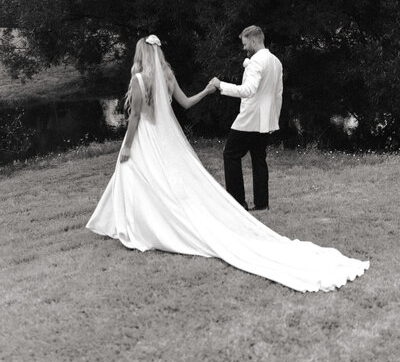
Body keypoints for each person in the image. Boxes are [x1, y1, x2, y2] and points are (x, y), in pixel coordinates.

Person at [86, 35, 369, 292]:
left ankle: (137, 225)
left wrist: (127, 147)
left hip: (146, 137)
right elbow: (185, 104)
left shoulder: (138, 79)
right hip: (165, 138)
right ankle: (136, 221)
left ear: (140, 54)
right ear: (158, 53)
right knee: (163, 178)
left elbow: (134, 118)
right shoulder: (168, 75)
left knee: (134, 173)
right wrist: (208, 91)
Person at [210, 25, 282, 211]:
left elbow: (248, 91)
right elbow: (278, 94)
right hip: (265, 120)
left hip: (250, 117)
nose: (244, 48)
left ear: (254, 40)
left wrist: (221, 85)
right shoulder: (276, 61)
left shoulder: (257, 62)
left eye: (245, 44)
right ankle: (262, 204)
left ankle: (237, 203)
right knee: (259, 159)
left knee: (230, 154)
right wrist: (274, 119)